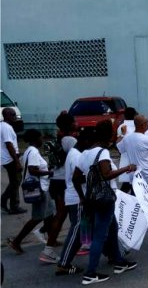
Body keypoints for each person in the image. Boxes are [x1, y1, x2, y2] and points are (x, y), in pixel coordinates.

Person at [72, 120, 137, 285]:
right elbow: (106, 175)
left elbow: (75, 178)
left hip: (92, 199)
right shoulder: (103, 153)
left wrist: (82, 196)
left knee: (113, 228)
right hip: (104, 199)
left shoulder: (86, 153)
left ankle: (119, 262)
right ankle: (90, 273)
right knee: (100, 235)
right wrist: (126, 168)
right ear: (109, 135)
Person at [5, 129, 61, 264]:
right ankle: (17, 241)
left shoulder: (29, 151)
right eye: (41, 137)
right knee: (38, 217)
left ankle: (50, 239)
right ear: (35, 139)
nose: (42, 140)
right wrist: (50, 172)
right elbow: (32, 170)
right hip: (40, 188)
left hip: (42, 187)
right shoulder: (34, 152)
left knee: (50, 214)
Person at [56, 130, 91, 276]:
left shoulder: (74, 152)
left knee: (87, 229)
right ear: (85, 142)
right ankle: (64, 263)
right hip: (77, 198)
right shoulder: (77, 156)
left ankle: (114, 253)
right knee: (77, 230)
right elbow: (78, 178)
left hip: (76, 197)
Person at [46, 112, 78, 252]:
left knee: (63, 213)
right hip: (64, 181)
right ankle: (49, 248)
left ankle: (51, 245)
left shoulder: (57, 138)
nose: (76, 123)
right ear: (70, 124)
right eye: (74, 121)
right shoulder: (70, 140)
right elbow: (77, 159)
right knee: (66, 214)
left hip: (55, 179)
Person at [1, 108, 25, 214]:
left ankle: (7, 202)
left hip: (7, 158)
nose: (15, 116)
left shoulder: (4, 126)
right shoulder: (6, 128)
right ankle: (12, 205)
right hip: (10, 159)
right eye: (13, 114)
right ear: (7, 116)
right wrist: (17, 161)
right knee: (16, 181)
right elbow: (9, 145)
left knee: (14, 181)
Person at [116, 107, 137, 193]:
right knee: (131, 185)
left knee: (128, 184)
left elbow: (118, 144)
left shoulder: (121, 127)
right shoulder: (138, 125)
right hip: (136, 158)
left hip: (126, 158)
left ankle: (119, 200)